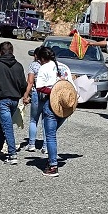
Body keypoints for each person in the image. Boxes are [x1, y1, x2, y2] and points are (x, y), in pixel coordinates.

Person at [0, 41, 27, 165]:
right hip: (14, 100)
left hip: (2, 100)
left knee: (7, 126)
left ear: (0, 51)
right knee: (5, 124)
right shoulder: (18, 66)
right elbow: (23, 85)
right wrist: (19, 93)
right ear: (12, 51)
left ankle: (12, 154)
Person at [35, 46, 72, 177]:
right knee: (52, 134)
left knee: (50, 136)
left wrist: (54, 91)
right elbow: (71, 88)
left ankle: (53, 165)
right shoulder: (64, 67)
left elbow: (39, 87)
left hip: (51, 104)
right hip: (65, 106)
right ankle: (52, 160)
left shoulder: (44, 68)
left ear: (43, 58)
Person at [21, 46, 45, 153]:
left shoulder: (33, 65)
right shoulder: (50, 65)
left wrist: (25, 95)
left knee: (33, 120)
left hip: (36, 93)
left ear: (35, 56)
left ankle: (31, 144)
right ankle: (46, 146)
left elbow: (30, 82)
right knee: (46, 120)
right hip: (48, 94)